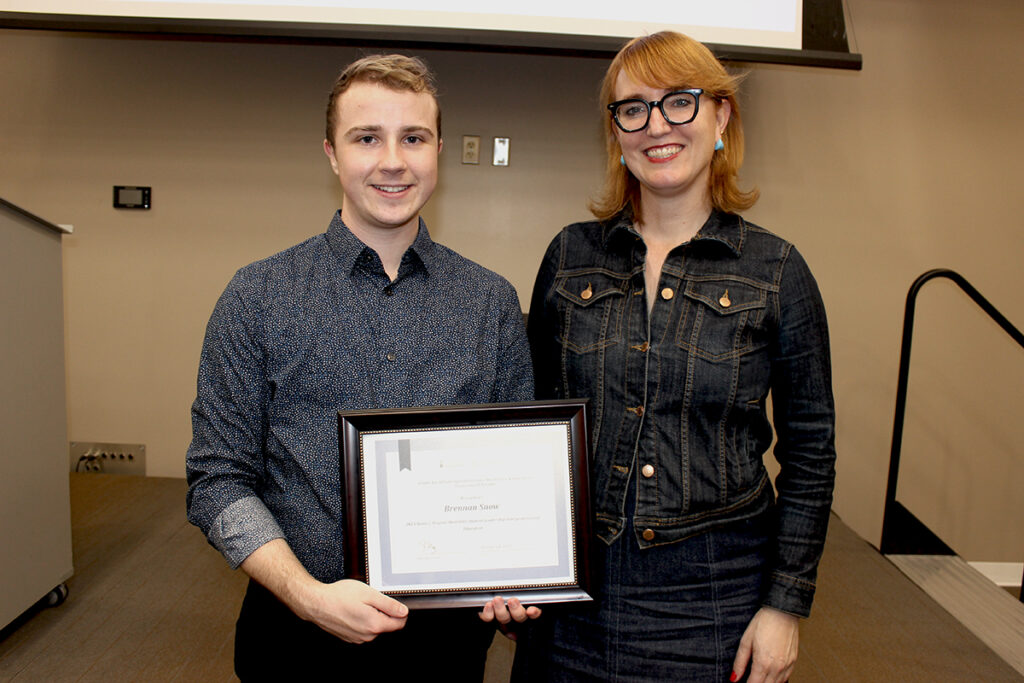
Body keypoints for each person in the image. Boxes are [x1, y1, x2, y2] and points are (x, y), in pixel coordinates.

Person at [185, 53, 536, 680]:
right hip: (293, 637)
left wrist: (518, 574)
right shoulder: (259, 296)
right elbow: (218, 480)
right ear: (331, 153)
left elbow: (513, 472)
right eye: (367, 137)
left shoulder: (491, 303)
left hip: (446, 646)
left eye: (414, 138)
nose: (393, 160)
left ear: (439, 152)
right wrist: (307, 595)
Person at [515, 31, 837, 683]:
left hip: (713, 599)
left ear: (721, 116)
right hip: (573, 597)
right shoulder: (571, 255)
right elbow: (532, 426)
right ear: (617, 132)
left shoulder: (776, 270)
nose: (656, 125)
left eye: (680, 101)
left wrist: (785, 604)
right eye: (633, 108)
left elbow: (812, 452)